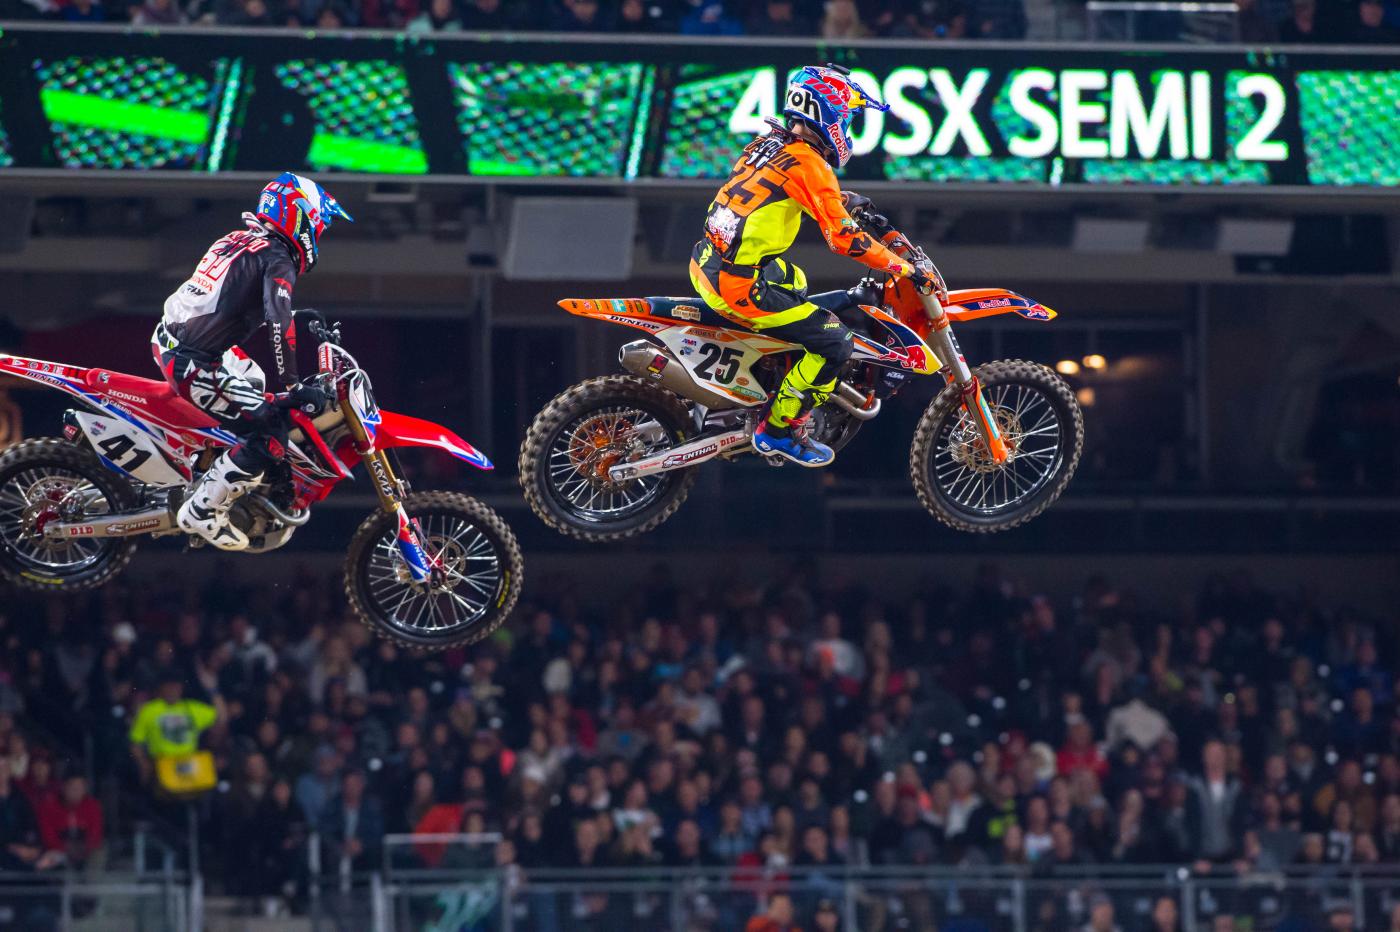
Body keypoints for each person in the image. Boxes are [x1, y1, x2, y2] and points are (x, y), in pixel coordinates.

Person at [689, 64, 943, 466]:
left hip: (708, 262)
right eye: (847, 116)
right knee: (836, 343)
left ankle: (769, 370)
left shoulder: (768, 143)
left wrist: (841, 201)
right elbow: (844, 240)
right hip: (739, 285)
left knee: (799, 281)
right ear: (827, 112)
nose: (848, 125)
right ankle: (778, 429)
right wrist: (904, 268)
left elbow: (781, 193)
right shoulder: (811, 165)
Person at [154, 172, 351, 550]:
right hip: (194, 361)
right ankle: (202, 511)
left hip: (177, 341)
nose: (318, 234)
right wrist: (295, 387)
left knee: (258, 386)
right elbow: (279, 321)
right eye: (318, 225)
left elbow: (233, 301)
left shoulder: (238, 239)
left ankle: (216, 468)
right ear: (299, 217)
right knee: (270, 436)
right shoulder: (278, 257)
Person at [127, 672, 223, 786]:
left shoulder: (191, 708)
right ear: (161, 688)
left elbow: (221, 717)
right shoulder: (149, 710)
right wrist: (143, 764)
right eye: (169, 687)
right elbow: (135, 742)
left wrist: (214, 691)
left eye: (176, 687)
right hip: (161, 767)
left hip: (190, 767)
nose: (173, 690)